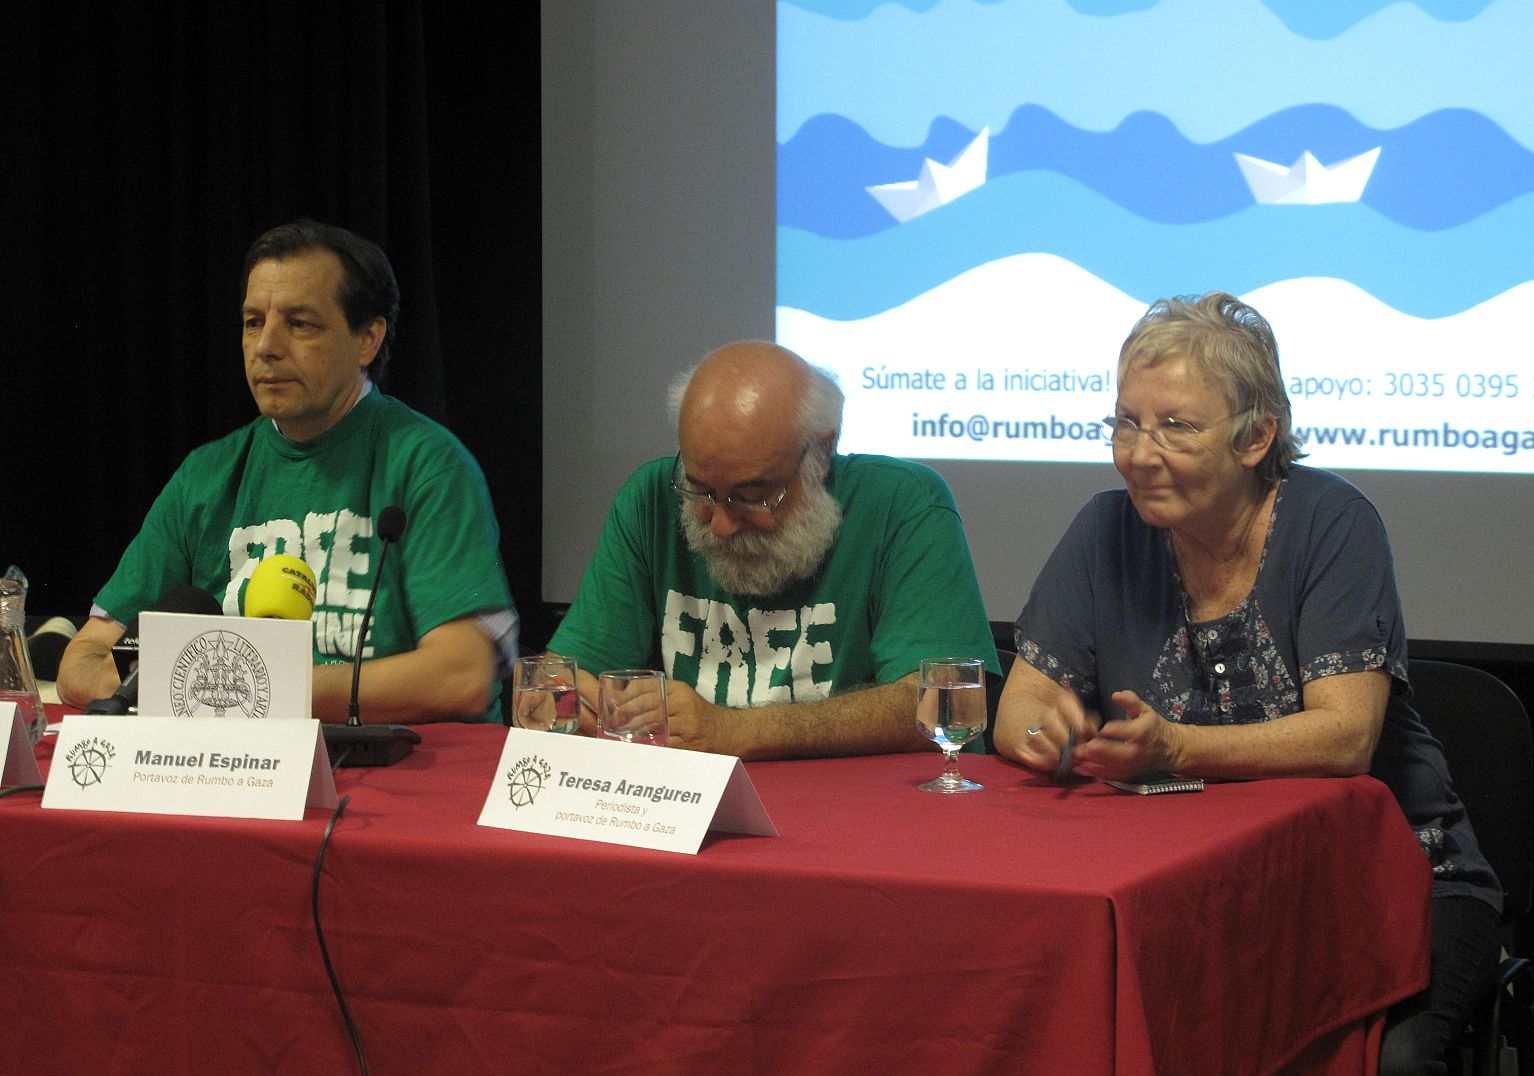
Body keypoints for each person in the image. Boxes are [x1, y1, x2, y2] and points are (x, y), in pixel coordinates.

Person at [993, 293, 1502, 1076]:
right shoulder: (1102, 529)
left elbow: (1346, 736)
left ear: (1258, 436)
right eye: (1125, 422)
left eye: (1175, 427)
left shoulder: (1333, 523)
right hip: (1198, 892)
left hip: (1393, 876)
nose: (1138, 454)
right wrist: (1051, 736)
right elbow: (1017, 708)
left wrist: (1174, 749)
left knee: (1392, 1069)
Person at [57, 219, 516, 724]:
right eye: (253, 322)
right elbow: (82, 664)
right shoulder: (205, 476)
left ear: (367, 339)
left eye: (300, 323)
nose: (266, 346)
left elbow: (462, 675)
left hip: (392, 779)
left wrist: (249, 690)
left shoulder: (428, 462)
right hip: (233, 776)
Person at [547, 340, 998, 759]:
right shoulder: (648, 498)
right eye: (700, 490)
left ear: (821, 453)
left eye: (750, 496)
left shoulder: (903, 502)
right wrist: (568, 702)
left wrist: (734, 731)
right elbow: (562, 676)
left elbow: (944, 699)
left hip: (862, 818)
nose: (720, 525)